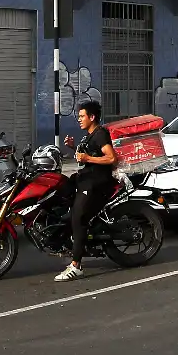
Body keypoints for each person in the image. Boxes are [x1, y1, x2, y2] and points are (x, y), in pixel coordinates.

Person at [59, 100, 116, 282]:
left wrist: (88, 157)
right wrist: (72, 147)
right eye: (79, 116)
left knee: (78, 217)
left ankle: (76, 265)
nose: (79, 119)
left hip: (96, 184)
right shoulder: (88, 136)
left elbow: (111, 158)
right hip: (85, 180)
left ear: (92, 117)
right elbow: (86, 155)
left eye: (82, 116)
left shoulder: (100, 134)